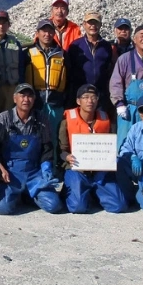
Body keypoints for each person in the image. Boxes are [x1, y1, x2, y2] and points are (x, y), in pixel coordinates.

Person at [0, 84, 63, 215]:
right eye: (22, 95)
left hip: (33, 172)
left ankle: (28, 194)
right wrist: (0, 168)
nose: (26, 99)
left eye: (30, 96)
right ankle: (12, 193)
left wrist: (46, 167)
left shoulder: (42, 119)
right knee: (3, 209)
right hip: (11, 173)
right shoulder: (3, 118)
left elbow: (47, 148)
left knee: (54, 205)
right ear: (15, 98)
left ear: (34, 99)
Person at [60, 84, 126, 214]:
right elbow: (61, 150)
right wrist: (67, 157)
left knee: (119, 206)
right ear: (78, 101)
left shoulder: (106, 119)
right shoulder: (66, 120)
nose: (90, 101)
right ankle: (73, 191)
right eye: (85, 97)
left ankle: (94, 192)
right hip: (77, 169)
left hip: (100, 171)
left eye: (93, 97)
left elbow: (112, 146)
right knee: (78, 207)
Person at [24, 18, 69, 169]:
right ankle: (33, 168)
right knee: (34, 137)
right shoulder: (28, 53)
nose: (47, 34)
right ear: (37, 33)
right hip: (35, 103)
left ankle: (54, 168)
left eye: (50, 31)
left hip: (55, 103)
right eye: (44, 30)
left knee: (54, 138)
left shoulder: (62, 54)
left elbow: (69, 79)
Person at [67, 12, 114, 110]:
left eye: (96, 23)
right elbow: (68, 70)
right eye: (90, 23)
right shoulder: (75, 46)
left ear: (100, 25)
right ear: (84, 24)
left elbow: (109, 70)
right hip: (80, 94)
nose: (93, 26)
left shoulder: (106, 46)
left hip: (100, 96)